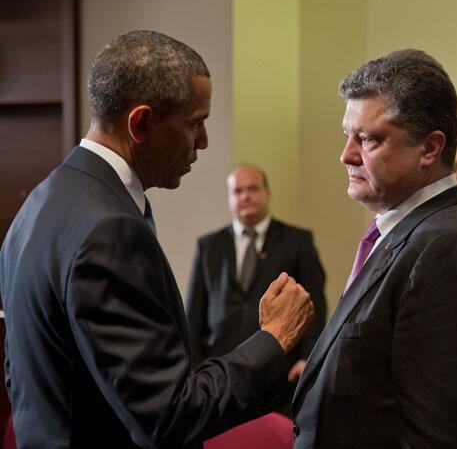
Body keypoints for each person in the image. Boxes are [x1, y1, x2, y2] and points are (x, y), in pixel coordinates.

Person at [0, 30, 315, 448]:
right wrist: (272, 340)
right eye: (194, 124)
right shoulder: (108, 230)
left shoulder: (42, 201)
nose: (203, 142)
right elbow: (169, 416)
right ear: (141, 123)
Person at [291, 49, 457, 449]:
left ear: (430, 148)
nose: (346, 155)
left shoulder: (448, 249)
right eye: (347, 136)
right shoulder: (412, 232)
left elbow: (440, 438)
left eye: (368, 139)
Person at [186, 164, 327, 413]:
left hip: (281, 370)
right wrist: (195, 366)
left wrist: (308, 358)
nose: (245, 196)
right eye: (237, 191)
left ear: (267, 192)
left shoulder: (297, 241)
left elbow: (314, 302)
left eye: (252, 189)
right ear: (229, 197)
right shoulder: (208, 246)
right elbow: (194, 313)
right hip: (220, 372)